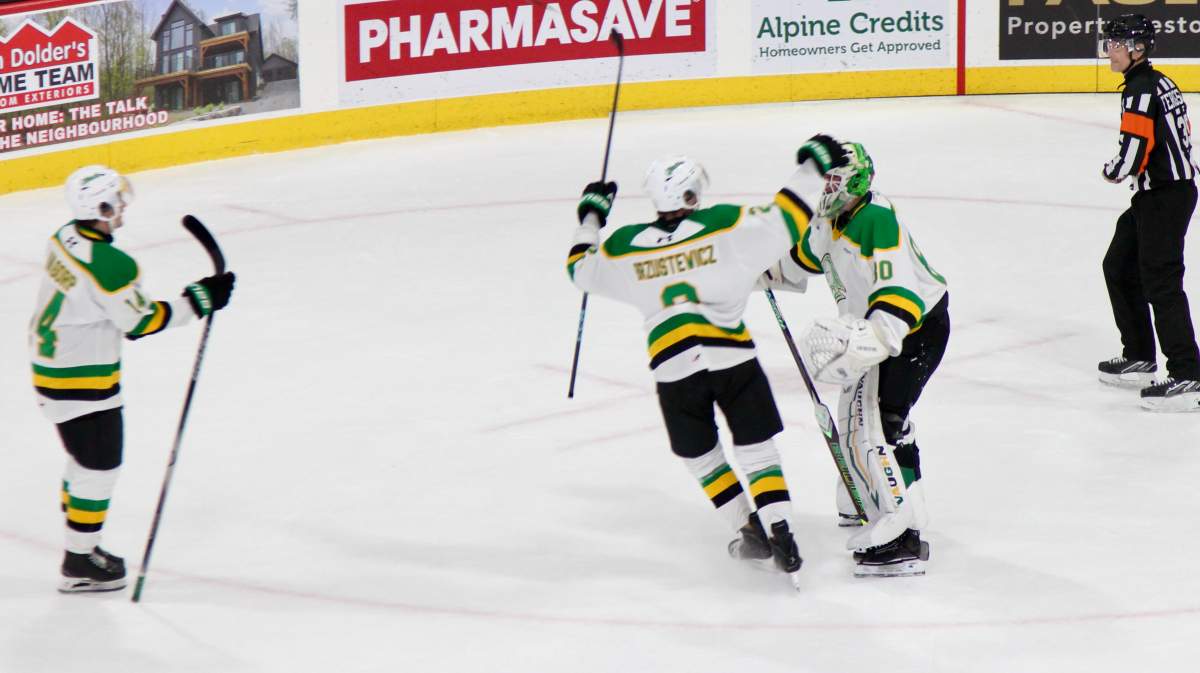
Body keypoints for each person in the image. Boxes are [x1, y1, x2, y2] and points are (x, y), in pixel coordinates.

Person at [565, 138, 846, 586]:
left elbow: (580, 269)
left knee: (702, 456)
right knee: (757, 451)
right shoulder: (722, 224)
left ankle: (746, 530)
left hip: (674, 371)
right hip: (732, 359)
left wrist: (592, 216)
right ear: (689, 195)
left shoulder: (624, 246)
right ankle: (781, 531)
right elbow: (787, 218)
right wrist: (811, 167)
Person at [30, 165, 236, 592]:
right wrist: (201, 299)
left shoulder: (65, 237)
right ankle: (80, 559)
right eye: (116, 201)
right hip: (80, 382)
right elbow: (140, 322)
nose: (123, 206)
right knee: (98, 465)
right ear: (101, 208)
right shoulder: (110, 264)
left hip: (52, 366)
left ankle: (78, 538)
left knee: (82, 459)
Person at [764, 138, 949, 577]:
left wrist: (874, 340)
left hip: (912, 330)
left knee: (873, 425)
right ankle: (871, 498)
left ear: (853, 181)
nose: (823, 187)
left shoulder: (876, 220)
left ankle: (901, 532)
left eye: (831, 178)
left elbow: (899, 293)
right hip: (873, 330)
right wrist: (748, 272)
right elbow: (795, 265)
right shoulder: (829, 222)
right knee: (860, 420)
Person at [1097, 14, 1200, 412]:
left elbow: (1136, 150)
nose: (1110, 50)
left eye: (1117, 43)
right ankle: (1140, 353)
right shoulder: (1159, 82)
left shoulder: (1140, 89)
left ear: (1138, 49)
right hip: (1159, 195)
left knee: (1161, 283)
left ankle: (1189, 374)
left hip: (1164, 197)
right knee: (1119, 266)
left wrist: (1115, 170)